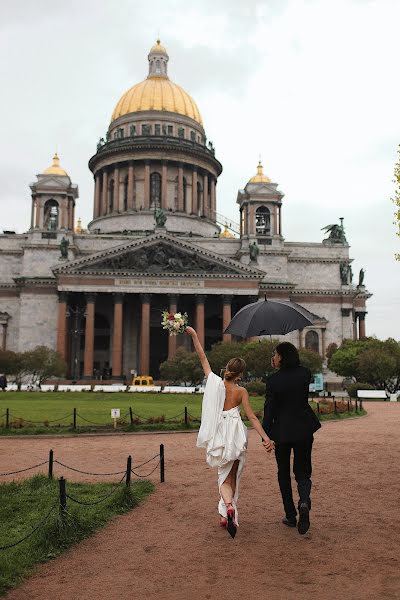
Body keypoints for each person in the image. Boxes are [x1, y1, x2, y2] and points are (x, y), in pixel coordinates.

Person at [185, 326, 274, 538]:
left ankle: (227, 507)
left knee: (223, 478)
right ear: (241, 374)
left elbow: (202, 358)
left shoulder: (215, 382)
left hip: (220, 433)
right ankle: (227, 513)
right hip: (236, 433)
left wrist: (195, 335)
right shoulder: (241, 391)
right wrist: (265, 438)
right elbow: (252, 417)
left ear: (227, 368)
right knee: (233, 475)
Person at [263, 342, 321, 535]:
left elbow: (269, 410)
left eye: (275, 354)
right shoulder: (305, 373)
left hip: (282, 432)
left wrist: (265, 435)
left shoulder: (273, 381)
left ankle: (290, 514)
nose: (273, 357)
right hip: (304, 428)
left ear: (282, 357)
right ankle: (304, 500)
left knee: (283, 473)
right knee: (303, 471)